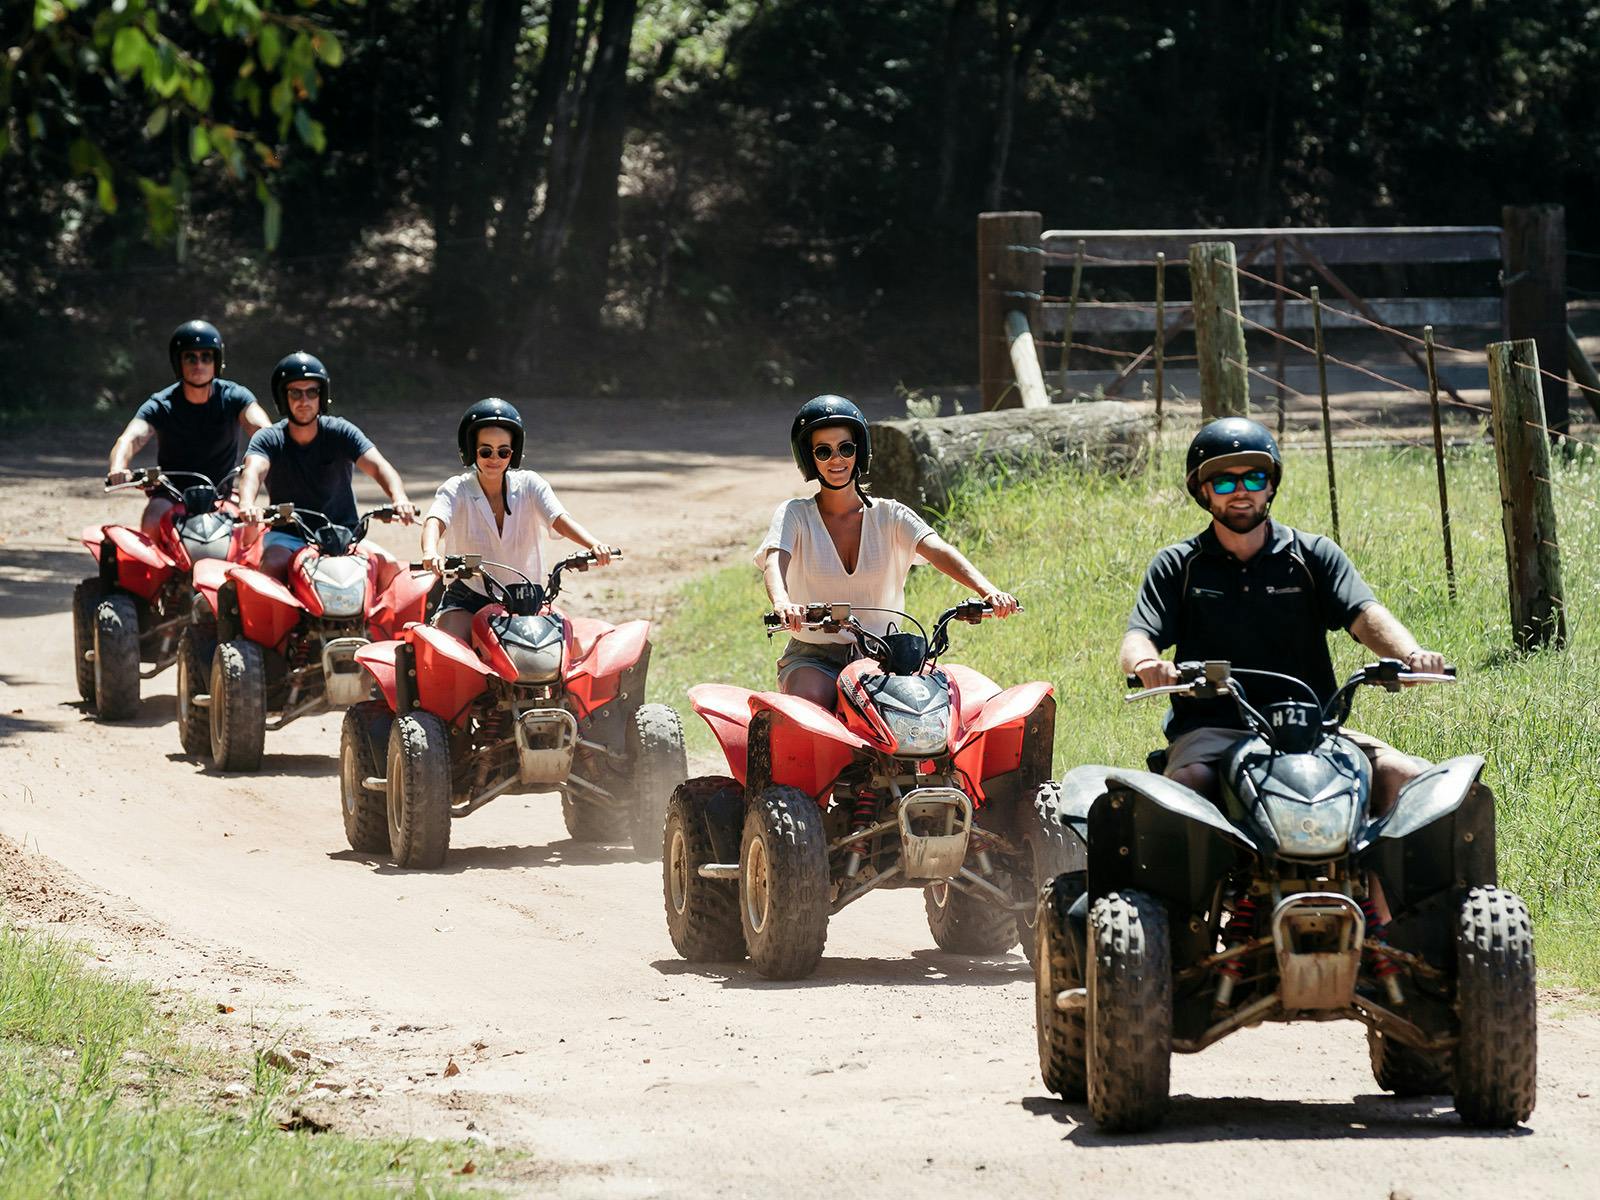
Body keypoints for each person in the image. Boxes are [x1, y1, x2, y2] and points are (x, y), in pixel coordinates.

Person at [1120, 416, 1447, 819]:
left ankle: (1389, 884)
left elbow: (1365, 614)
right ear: (1203, 492)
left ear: (1271, 485)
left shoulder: (1313, 556)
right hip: (1213, 730)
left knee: (1408, 777)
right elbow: (1140, 635)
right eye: (1224, 482)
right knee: (1186, 786)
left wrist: (1413, 656)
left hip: (1312, 729)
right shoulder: (1179, 565)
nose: (1241, 492)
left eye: (1254, 479)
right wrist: (1147, 664)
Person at [757, 394, 1019, 710]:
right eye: (823, 451)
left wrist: (988, 591)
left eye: (846, 448)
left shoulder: (891, 515)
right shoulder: (795, 514)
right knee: (809, 704)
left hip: (886, 653)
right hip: (815, 656)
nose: (836, 459)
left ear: (860, 451)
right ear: (810, 458)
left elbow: (938, 550)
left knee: (937, 708)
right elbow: (775, 560)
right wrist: (782, 602)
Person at [420, 398, 617, 641]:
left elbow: (559, 518)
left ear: (513, 453)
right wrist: (430, 551)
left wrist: (593, 545)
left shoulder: (530, 484)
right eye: (485, 451)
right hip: (470, 598)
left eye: (503, 451)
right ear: (471, 449)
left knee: (568, 647)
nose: (495, 458)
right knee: (448, 646)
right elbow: (436, 519)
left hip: (527, 599)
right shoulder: (456, 488)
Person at [235, 351, 416, 578]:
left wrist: (399, 498)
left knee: (389, 566)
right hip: (288, 536)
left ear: (322, 396)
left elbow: (379, 466)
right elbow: (253, 471)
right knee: (273, 563)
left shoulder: (340, 431)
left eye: (312, 392)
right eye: (295, 393)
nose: (304, 401)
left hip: (344, 536)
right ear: (283, 397)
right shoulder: (269, 438)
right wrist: (247, 503)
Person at [106, 319, 272, 534]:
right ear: (178, 362)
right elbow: (130, 439)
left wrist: (273, 449)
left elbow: (262, 428)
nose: (199, 364)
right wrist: (118, 468)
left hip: (221, 494)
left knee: (250, 530)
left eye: (206, 357)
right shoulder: (162, 403)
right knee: (152, 518)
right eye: (190, 357)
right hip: (170, 493)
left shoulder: (235, 396)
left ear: (216, 361)